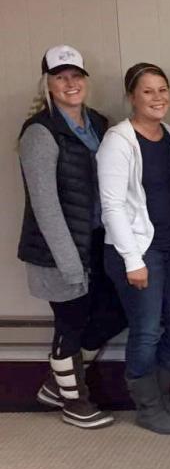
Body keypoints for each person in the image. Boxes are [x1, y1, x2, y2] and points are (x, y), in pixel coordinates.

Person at [17, 45, 127, 429]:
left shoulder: (99, 122)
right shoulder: (40, 132)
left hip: (97, 241)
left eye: (76, 76)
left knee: (114, 312)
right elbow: (45, 205)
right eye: (61, 77)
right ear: (48, 83)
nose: (70, 83)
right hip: (57, 249)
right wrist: (69, 264)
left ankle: (55, 384)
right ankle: (75, 402)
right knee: (71, 322)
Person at [97, 63, 170, 435]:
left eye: (162, 90)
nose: (158, 98)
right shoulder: (118, 140)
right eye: (148, 91)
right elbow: (112, 205)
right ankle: (147, 406)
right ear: (131, 97)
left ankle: (161, 395)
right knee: (147, 330)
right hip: (136, 251)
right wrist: (132, 260)